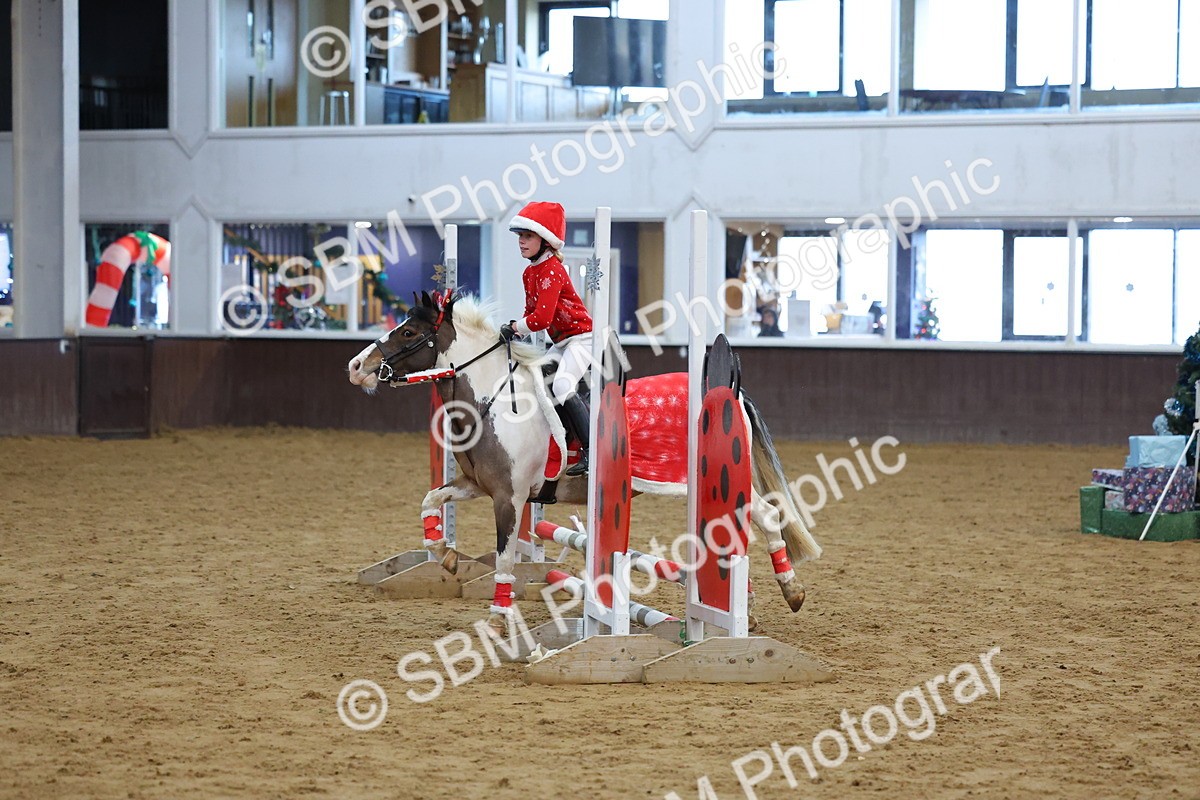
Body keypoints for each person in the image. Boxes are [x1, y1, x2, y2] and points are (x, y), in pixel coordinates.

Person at [499, 201, 592, 504]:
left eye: (527, 236)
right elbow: (530, 314)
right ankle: (557, 445)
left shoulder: (553, 270)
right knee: (534, 383)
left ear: (545, 239)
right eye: (520, 236)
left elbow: (540, 320)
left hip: (583, 339)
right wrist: (514, 334)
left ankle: (591, 450)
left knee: (563, 385)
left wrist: (514, 327)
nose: (521, 242)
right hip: (561, 343)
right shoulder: (530, 274)